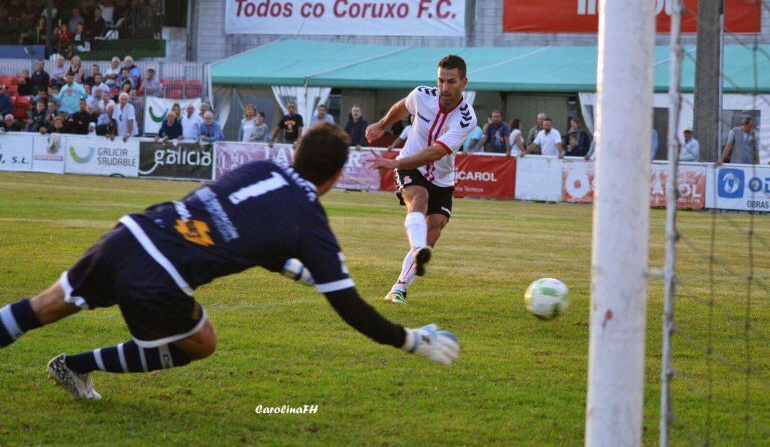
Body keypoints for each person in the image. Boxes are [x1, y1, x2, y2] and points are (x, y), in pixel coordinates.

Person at [0, 123, 459, 401]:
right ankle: (80, 364)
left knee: (42, 307)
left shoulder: (259, 168)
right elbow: (350, 308)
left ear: (296, 151)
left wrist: (292, 268)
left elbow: (244, 231)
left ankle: (72, 367)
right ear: (337, 176)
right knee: (201, 342)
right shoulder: (310, 222)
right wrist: (408, 339)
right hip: (163, 276)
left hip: (131, 234)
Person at [366, 55, 478, 304]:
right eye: (440, 81)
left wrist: (393, 163)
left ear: (464, 82)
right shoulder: (421, 95)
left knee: (435, 226)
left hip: (441, 176)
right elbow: (402, 106)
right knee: (419, 198)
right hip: (410, 167)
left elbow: (437, 152)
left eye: (451, 82)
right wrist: (383, 124)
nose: (444, 88)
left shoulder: (467, 118)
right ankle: (418, 249)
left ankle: (399, 287)